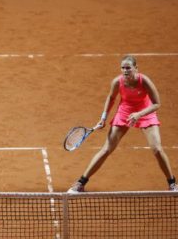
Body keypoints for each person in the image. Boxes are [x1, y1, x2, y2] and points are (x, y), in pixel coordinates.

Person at [67, 55, 177, 192]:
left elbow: (157, 104)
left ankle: (172, 183)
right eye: (123, 68)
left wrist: (139, 114)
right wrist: (103, 117)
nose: (125, 71)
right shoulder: (117, 82)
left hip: (145, 111)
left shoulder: (144, 81)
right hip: (125, 112)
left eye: (128, 68)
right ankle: (81, 182)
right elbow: (111, 98)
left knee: (157, 149)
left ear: (136, 68)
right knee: (106, 149)